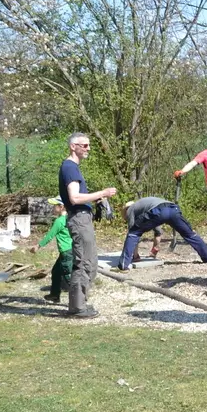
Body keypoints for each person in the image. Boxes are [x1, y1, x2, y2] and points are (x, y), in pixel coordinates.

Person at [59, 132, 117, 319]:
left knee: (90, 262)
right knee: (84, 262)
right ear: (73, 146)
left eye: (88, 145)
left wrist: (97, 198)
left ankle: (80, 303)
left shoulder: (72, 167)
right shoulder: (70, 167)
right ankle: (77, 308)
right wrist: (103, 192)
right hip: (79, 219)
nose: (88, 149)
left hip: (83, 218)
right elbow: (74, 198)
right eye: (84, 145)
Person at [118, 197, 207, 270]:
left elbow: (133, 234)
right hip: (173, 209)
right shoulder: (147, 204)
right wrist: (155, 249)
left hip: (158, 211)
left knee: (133, 233)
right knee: (189, 234)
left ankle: (124, 265)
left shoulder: (130, 210)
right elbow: (158, 231)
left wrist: (135, 256)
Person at [30, 197, 71, 303]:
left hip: (66, 252)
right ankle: (54, 295)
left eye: (55, 205)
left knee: (68, 276)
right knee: (56, 271)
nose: (53, 207)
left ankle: (79, 299)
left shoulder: (59, 221)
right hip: (71, 250)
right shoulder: (70, 218)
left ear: (61, 207)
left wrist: (38, 246)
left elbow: (49, 236)